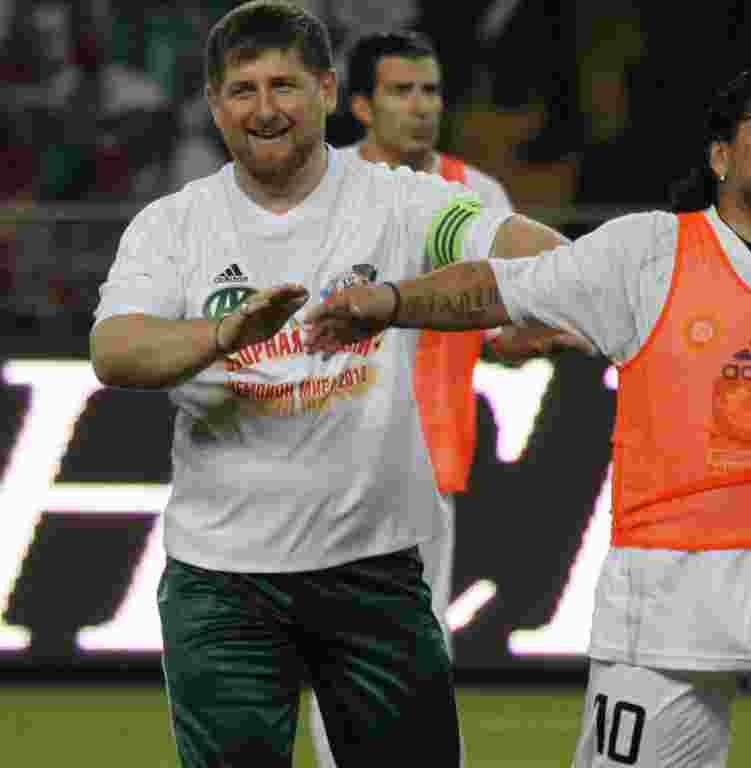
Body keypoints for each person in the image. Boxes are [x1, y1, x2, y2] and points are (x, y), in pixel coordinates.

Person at [305, 63, 751, 767]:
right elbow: (497, 288)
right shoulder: (645, 255)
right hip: (662, 606)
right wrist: (390, 302)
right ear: (720, 156)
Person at [89, 3, 569, 766]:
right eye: (242, 90)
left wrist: (401, 300)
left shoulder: (397, 201)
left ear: (324, 89)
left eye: (284, 85)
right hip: (221, 584)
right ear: (214, 105)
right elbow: (114, 350)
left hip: (372, 570)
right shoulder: (171, 226)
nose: (265, 108)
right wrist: (221, 334)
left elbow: (520, 252)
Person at [307, 28, 589, 767]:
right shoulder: (321, 189)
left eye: (431, 90)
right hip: (328, 454)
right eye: (402, 91)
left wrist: (547, 332)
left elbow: (500, 323)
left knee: (419, 643)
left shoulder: (477, 193)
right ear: (361, 106)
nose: (423, 106)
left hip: (430, 455)